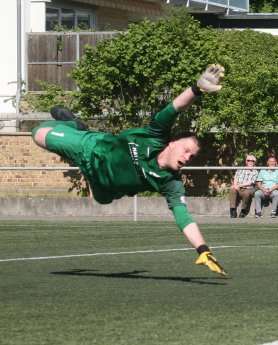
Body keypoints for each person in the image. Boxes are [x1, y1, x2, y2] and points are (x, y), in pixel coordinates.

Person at [31, 64, 228, 276]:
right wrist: (197, 89)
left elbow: (183, 217)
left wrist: (203, 250)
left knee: (102, 200)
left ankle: (76, 147)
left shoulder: (170, 182)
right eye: (186, 150)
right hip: (91, 148)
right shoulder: (155, 135)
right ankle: (73, 124)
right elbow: (175, 108)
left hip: (104, 189)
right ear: (172, 143)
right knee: (38, 133)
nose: (187, 157)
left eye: (192, 156)